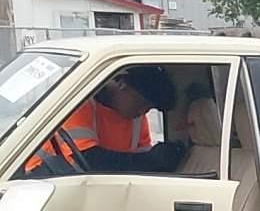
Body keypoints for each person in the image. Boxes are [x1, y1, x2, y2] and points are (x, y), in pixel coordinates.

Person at [24, 65, 182, 175]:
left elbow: (139, 163)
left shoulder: (136, 119)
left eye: (148, 109)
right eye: (141, 103)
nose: (142, 112)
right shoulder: (81, 106)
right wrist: (151, 160)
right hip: (44, 180)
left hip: (98, 186)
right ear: (122, 85)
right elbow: (90, 161)